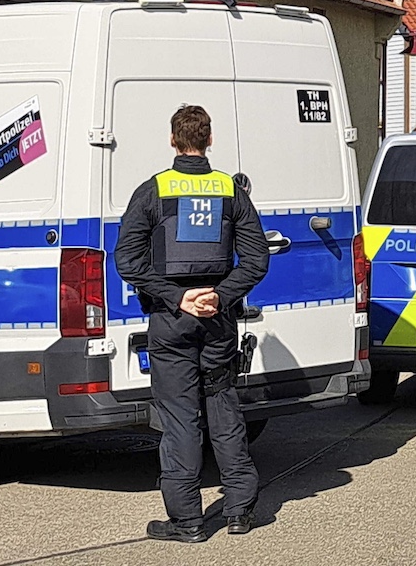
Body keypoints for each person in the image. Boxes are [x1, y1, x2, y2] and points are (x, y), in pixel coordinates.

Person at [114, 106, 268, 543]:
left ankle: (188, 521)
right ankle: (239, 510)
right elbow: (257, 259)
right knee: (223, 408)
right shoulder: (230, 191)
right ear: (210, 139)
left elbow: (127, 259)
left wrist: (177, 296)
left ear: (172, 140)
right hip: (218, 321)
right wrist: (220, 295)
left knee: (180, 419)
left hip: (172, 320)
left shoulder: (153, 191)